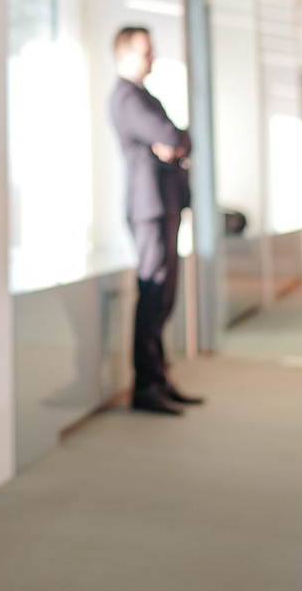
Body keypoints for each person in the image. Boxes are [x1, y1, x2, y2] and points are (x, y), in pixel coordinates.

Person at [108, 25, 203, 416]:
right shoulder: (128, 98)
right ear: (124, 54)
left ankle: (160, 377)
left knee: (164, 296)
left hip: (164, 205)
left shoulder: (144, 96)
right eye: (145, 52)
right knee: (153, 294)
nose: (152, 58)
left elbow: (181, 140)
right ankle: (145, 386)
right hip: (148, 208)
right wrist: (172, 140)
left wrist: (175, 141)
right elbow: (170, 134)